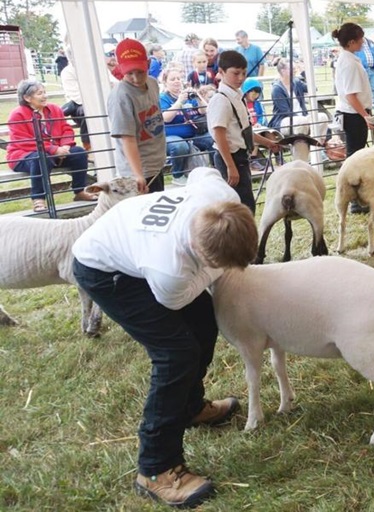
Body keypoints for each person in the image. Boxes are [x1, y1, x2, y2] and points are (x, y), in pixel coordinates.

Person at [71, 166, 257, 509]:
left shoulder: (221, 199)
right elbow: (174, 300)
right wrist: (214, 273)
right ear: (197, 250)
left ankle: (190, 408)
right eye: (213, 264)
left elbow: (203, 171)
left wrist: (215, 268)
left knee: (204, 322)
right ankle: (156, 468)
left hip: (134, 244)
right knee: (175, 353)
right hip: (104, 270)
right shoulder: (168, 268)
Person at [7, 80, 97, 212]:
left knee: (79, 153)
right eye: (40, 93)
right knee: (40, 158)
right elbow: (24, 141)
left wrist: (65, 146)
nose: (45, 96)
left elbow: (66, 129)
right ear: (27, 98)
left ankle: (79, 191)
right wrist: (54, 149)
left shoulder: (54, 109)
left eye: (44, 92)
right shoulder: (17, 115)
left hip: (55, 153)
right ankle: (38, 199)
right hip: (24, 155)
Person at [207, 50, 280, 213]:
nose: (240, 78)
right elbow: (219, 135)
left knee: (246, 204)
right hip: (230, 158)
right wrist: (230, 166)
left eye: (244, 73)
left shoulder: (238, 96)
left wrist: (268, 143)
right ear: (221, 72)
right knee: (239, 208)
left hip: (240, 156)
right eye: (235, 73)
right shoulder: (221, 100)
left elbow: (244, 131)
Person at [107, 38, 166, 194]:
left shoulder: (152, 84)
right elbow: (128, 139)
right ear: (120, 69)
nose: (136, 78)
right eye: (129, 73)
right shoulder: (121, 96)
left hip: (156, 162)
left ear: (148, 64)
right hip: (137, 171)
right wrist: (137, 175)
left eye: (140, 72)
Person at [333, 22, 374, 214]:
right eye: (360, 39)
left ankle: (357, 199)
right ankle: (354, 201)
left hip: (354, 113)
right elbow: (351, 95)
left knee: (356, 155)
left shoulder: (348, 59)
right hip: (354, 115)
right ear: (351, 42)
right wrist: (365, 116)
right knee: (355, 158)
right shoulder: (349, 63)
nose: (362, 42)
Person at [159, 65, 214, 186]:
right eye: (172, 79)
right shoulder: (163, 98)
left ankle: (215, 170)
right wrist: (179, 102)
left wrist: (198, 96)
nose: (177, 81)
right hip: (171, 136)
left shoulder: (189, 96)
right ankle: (177, 175)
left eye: (179, 78)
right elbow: (166, 118)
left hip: (194, 133)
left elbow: (205, 111)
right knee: (180, 146)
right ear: (165, 82)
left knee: (212, 138)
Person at [268, 59, 329, 160]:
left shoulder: (296, 82)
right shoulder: (277, 89)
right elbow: (286, 112)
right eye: (292, 68)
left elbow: (313, 89)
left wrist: (305, 72)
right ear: (283, 71)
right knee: (301, 122)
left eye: (295, 68)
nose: (295, 70)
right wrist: (306, 120)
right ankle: (300, 159)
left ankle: (317, 149)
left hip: (302, 118)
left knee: (322, 117)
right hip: (284, 121)